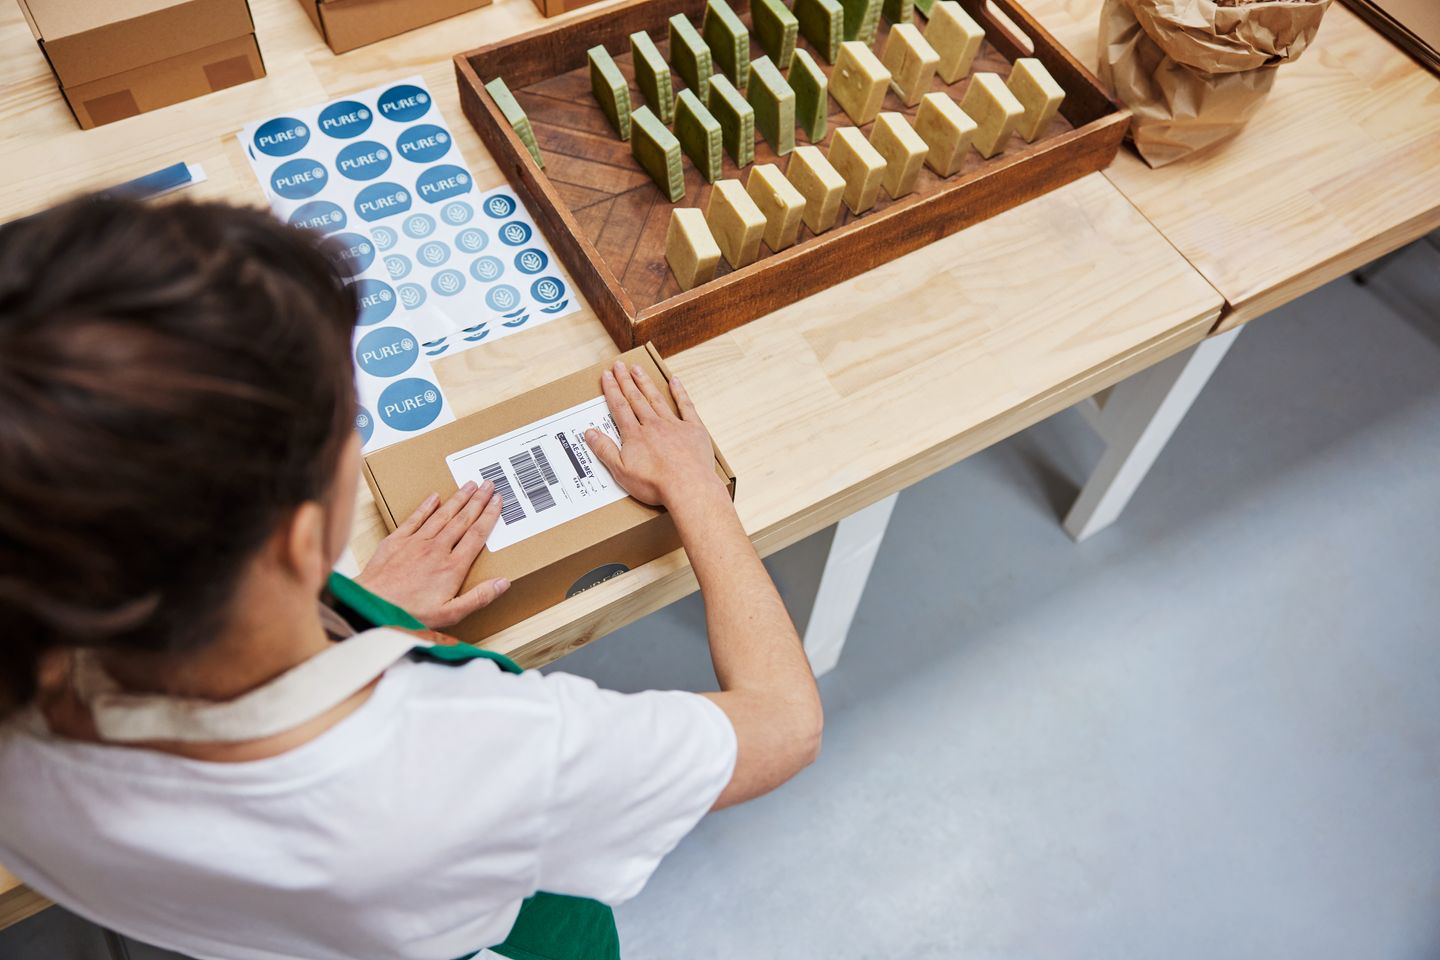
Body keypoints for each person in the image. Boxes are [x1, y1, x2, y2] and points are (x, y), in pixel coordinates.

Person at [0, 197, 822, 960]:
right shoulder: (474, 759)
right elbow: (784, 722)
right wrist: (697, 487)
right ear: (300, 537)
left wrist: (364, 615)